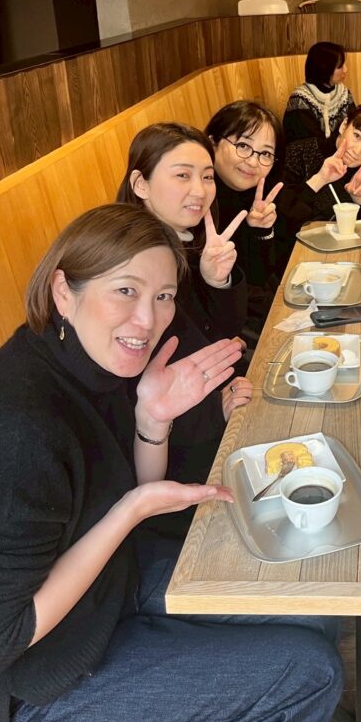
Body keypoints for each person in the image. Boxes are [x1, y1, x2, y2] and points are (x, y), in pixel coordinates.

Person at [0, 204, 343, 722]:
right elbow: (7, 633)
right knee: (308, 674)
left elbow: (131, 489)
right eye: (126, 291)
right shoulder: (20, 425)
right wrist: (130, 512)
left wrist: (151, 421)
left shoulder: (92, 360)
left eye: (163, 296)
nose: (147, 319)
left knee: (312, 606)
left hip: (112, 588)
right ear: (64, 291)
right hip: (38, 686)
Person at [116, 123, 251, 503]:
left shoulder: (184, 242)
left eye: (207, 177)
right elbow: (140, 379)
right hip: (170, 449)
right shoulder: (133, 260)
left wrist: (215, 281)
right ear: (141, 184)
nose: (200, 190)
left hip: (210, 402)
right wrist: (216, 412)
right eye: (182, 175)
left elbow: (221, 332)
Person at [205, 100, 285, 341]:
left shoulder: (254, 197)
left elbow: (258, 277)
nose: (252, 161)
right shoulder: (196, 201)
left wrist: (260, 231)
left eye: (265, 153)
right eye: (243, 145)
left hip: (243, 313)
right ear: (212, 142)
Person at [279, 102, 361, 233]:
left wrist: (360, 199)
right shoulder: (299, 152)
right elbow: (283, 220)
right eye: (357, 136)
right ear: (344, 126)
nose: (357, 151)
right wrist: (319, 179)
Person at [283, 41, 355, 179]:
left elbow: (354, 125)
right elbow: (306, 146)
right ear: (325, 69)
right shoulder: (300, 100)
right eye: (340, 66)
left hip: (342, 162)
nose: (346, 70)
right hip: (309, 171)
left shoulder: (344, 94)